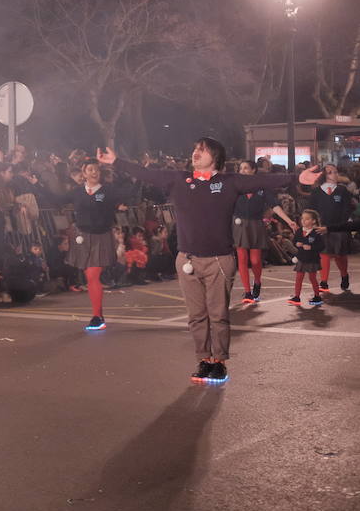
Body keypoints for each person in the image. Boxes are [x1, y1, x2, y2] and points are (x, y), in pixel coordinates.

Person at [100, 138, 321, 384]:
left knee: (218, 315)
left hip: (219, 259)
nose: (195, 152)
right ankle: (204, 360)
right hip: (187, 259)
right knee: (196, 315)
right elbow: (147, 173)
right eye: (195, 148)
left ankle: (220, 362)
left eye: (202, 150)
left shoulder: (228, 182)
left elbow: (263, 180)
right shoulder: (178, 179)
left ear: (214, 157)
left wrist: (297, 178)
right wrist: (116, 162)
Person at [56, 160, 126, 331]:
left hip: (101, 236)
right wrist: (36, 186)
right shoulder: (77, 191)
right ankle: (99, 316)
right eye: (90, 169)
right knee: (90, 277)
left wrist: (119, 205)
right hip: (83, 237)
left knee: (93, 275)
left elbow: (112, 201)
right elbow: (57, 199)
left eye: (96, 169)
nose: (94, 172)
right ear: (84, 172)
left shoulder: (106, 191)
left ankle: (96, 317)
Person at [234, 160, 296, 304]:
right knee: (242, 260)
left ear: (253, 170)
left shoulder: (262, 188)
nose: (243, 171)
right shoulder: (235, 188)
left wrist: (288, 221)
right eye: (240, 168)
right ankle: (248, 292)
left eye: (246, 168)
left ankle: (257, 282)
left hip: (256, 225)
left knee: (255, 261)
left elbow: (274, 206)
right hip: (239, 225)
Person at [304, 164, 355, 295]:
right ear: (324, 175)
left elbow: (348, 209)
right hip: (321, 228)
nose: (334, 174)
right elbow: (311, 210)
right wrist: (311, 224)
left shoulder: (343, 191)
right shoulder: (316, 192)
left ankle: (344, 275)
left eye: (335, 172)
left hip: (338, 228)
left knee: (340, 255)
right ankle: (324, 282)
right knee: (323, 254)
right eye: (330, 172)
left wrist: (341, 224)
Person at [288, 209, 324, 307]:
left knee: (312, 278)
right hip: (301, 258)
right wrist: (296, 243)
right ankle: (296, 297)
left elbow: (322, 246)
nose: (303, 221)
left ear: (314, 221)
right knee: (298, 278)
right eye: (302, 218)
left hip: (312, 259)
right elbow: (294, 240)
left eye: (307, 219)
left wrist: (311, 247)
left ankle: (317, 296)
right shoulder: (299, 231)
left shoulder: (317, 232)